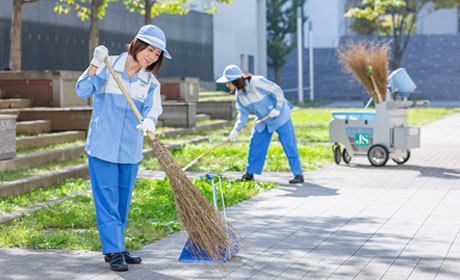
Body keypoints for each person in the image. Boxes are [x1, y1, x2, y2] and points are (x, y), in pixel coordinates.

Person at [75, 24, 171, 271]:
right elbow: (82, 89)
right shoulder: (109, 66)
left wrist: (150, 119)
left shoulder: (150, 82)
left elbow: (154, 108)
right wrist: (95, 63)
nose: (152, 56)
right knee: (106, 199)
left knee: (122, 201)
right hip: (102, 145)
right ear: (137, 44)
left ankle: (116, 245)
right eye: (150, 49)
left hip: (130, 149)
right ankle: (114, 250)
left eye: (157, 54)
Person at [216, 65, 304, 184]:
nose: (227, 85)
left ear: (235, 81)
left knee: (289, 143)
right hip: (263, 120)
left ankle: (298, 174)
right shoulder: (239, 96)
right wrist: (236, 130)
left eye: (228, 82)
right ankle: (249, 173)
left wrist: (277, 108)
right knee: (255, 143)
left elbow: (277, 90)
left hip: (279, 115)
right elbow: (243, 114)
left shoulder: (257, 82)